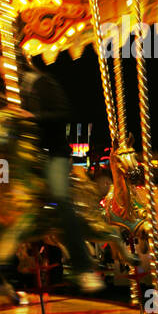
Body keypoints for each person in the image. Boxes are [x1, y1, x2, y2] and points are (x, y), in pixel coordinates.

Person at [19, 54, 103, 292]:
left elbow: (63, 113)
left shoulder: (44, 82)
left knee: (60, 198)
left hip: (53, 153)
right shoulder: (14, 94)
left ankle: (83, 267)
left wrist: (34, 118)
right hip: (29, 157)